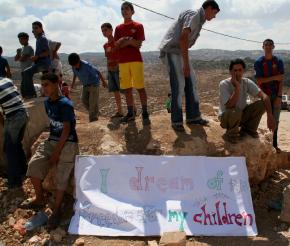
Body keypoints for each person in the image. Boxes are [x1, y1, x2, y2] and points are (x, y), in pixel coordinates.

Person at [22, 73, 79, 229]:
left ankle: (57, 210)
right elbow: (54, 126)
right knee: (33, 165)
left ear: (56, 84)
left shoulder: (65, 104)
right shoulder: (47, 103)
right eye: (43, 85)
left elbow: (67, 131)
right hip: (52, 139)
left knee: (62, 176)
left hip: (68, 143)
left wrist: (56, 153)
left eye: (47, 85)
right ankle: (39, 198)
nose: (44, 88)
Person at [159, 0, 220, 132]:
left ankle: (193, 117)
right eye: (214, 13)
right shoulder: (193, 15)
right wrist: (186, 64)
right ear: (209, 8)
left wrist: (186, 62)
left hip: (179, 52)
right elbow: (183, 38)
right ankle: (176, 121)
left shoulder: (200, 20)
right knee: (179, 86)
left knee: (192, 83)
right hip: (172, 50)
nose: (214, 16)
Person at [219, 58, 275, 143]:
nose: (237, 73)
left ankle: (248, 130)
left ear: (243, 71)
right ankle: (231, 134)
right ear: (230, 72)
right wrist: (237, 87)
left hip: (241, 115)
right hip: (227, 118)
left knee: (261, 104)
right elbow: (229, 105)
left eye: (240, 70)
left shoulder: (246, 82)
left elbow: (264, 96)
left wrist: (270, 115)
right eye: (235, 70)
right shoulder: (224, 84)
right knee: (235, 111)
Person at [114, 1, 150, 125]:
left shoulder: (138, 25)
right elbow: (116, 45)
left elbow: (138, 44)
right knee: (127, 89)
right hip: (123, 62)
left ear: (132, 11)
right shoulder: (118, 28)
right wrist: (130, 40)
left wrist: (126, 41)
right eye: (122, 9)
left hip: (136, 60)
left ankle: (145, 112)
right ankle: (130, 113)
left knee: (140, 87)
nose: (124, 11)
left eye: (127, 9)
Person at [254, 39, 284, 153]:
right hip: (264, 95)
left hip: (276, 95)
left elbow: (281, 80)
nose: (268, 47)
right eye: (266, 45)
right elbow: (259, 81)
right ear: (263, 47)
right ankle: (256, 142)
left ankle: (274, 145)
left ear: (273, 47)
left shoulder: (278, 61)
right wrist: (274, 78)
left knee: (275, 121)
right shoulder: (259, 62)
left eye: (270, 45)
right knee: (258, 118)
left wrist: (279, 97)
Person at [0, 77, 28, 188]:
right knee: (16, 145)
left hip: (14, 117)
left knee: (9, 149)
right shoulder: (6, 80)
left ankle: (14, 181)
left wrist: (5, 126)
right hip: (24, 113)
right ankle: (24, 171)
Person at [68, 53, 107, 122]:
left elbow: (98, 71)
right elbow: (75, 74)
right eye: (73, 65)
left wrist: (103, 82)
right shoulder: (73, 65)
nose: (75, 67)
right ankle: (95, 113)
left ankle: (93, 119)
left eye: (75, 65)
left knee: (92, 103)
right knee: (84, 100)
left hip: (94, 85)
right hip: (85, 85)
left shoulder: (87, 66)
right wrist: (72, 85)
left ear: (79, 61)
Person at [21, 21, 51, 99]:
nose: (34, 30)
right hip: (40, 63)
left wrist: (37, 56)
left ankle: (30, 94)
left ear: (41, 28)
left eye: (36, 28)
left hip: (43, 63)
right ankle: (27, 94)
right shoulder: (39, 39)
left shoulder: (42, 39)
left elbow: (47, 52)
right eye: (33, 29)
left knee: (26, 72)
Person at [101, 22, 123, 117]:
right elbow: (108, 58)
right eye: (102, 31)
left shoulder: (117, 42)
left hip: (118, 69)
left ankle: (132, 109)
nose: (104, 32)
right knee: (115, 92)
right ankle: (120, 111)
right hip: (110, 70)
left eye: (105, 30)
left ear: (111, 30)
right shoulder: (105, 45)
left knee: (125, 90)